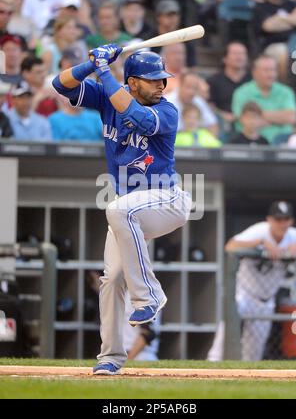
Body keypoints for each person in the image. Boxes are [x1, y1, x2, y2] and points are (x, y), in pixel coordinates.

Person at [52, 45, 192, 375]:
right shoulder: (106, 98)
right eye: (153, 79)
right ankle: (111, 356)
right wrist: (91, 63)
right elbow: (61, 86)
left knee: (118, 210)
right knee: (111, 279)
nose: (161, 85)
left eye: (163, 79)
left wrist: (104, 71)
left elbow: (137, 117)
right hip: (129, 208)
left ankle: (148, 297)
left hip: (166, 199)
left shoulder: (168, 112)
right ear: (131, 82)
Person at [208, 201, 296, 361]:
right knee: (223, 338)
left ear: (291, 221)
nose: (282, 223)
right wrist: (260, 243)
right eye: (278, 219)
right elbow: (230, 246)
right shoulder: (259, 231)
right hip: (244, 294)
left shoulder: (294, 236)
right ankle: (210, 367)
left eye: (286, 219)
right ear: (269, 219)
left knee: (254, 353)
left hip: (266, 300)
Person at [232, 54, 296, 145]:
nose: (271, 74)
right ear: (254, 72)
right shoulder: (241, 93)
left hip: (283, 144)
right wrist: (279, 119)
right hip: (250, 144)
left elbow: (291, 118)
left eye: (273, 70)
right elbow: (243, 120)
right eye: (266, 70)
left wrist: (257, 115)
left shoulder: (286, 92)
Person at [252, 0, 296, 81]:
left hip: (295, 44)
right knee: (284, 52)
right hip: (273, 46)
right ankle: (286, 86)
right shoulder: (261, 7)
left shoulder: (292, 4)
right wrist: (292, 19)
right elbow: (268, 26)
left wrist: (280, 18)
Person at [208, 42, 250, 125]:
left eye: (242, 53)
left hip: (249, 122)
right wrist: (222, 115)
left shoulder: (253, 80)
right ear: (224, 58)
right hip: (222, 123)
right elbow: (209, 104)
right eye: (235, 53)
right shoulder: (214, 81)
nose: (239, 57)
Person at [165, 71, 219, 136]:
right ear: (180, 85)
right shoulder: (167, 102)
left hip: (195, 143)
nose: (191, 92)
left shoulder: (198, 100)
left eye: (195, 88)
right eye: (188, 87)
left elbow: (213, 125)